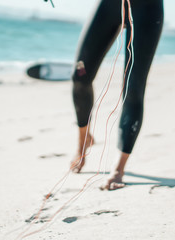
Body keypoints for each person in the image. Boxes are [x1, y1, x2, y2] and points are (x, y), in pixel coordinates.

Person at [70, 0, 164, 190]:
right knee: (80, 77)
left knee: (133, 89)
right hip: (110, 5)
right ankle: (84, 139)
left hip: (147, 9)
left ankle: (119, 168)